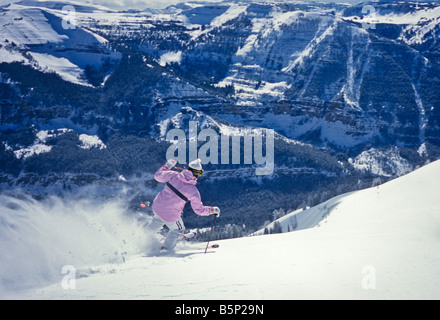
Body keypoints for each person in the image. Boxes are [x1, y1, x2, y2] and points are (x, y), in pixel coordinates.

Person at [147, 158, 220, 251]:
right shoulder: (193, 191)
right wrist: (213, 210)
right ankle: (166, 249)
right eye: (199, 173)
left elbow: (157, 176)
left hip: (157, 207)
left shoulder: (173, 175)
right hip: (170, 215)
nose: (198, 176)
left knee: (158, 219)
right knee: (178, 230)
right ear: (196, 174)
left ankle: (144, 235)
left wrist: (167, 166)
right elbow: (199, 210)